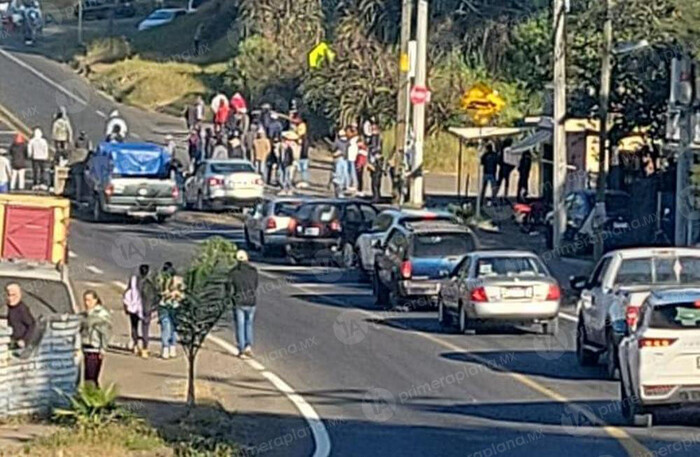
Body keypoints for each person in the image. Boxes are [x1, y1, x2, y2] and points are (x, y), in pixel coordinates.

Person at [81, 290, 112, 386]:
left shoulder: (101, 315)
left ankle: (94, 397)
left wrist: (103, 349)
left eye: (89, 300)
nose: (87, 303)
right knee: (86, 377)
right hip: (84, 347)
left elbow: (105, 333)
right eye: (85, 300)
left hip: (94, 348)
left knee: (91, 377)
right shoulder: (84, 314)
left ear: (95, 300)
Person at [231, 250, 258, 358]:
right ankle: (248, 346)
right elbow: (256, 285)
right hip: (251, 301)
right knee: (249, 324)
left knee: (240, 325)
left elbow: (229, 287)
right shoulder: (253, 271)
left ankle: (241, 349)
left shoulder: (233, 272)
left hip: (239, 302)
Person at [156, 262, 182, 359]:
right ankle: (171, 347)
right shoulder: (178, 281)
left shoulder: (161, 280)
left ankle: (166, 348)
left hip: (165, 305)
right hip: (174, 306)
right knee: (173, 327)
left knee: (166, 326)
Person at [6, 283, 36, 350]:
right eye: (9, 295)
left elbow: (32, 324)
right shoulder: (10, 308)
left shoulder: (22, 309)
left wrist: (24, 340)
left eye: (13, 295)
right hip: (10, 341)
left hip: (19, 345)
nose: (10, 298)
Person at [294, 114, 310, 188]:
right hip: (300, 154)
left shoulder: (302, 127)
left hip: (303, 154)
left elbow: (299, 134)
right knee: (299, 168)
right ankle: (300, 181)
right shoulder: (297, 127)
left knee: (304, 168)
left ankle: (304, 181)